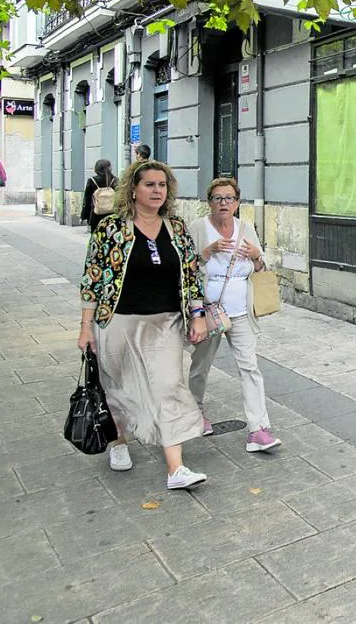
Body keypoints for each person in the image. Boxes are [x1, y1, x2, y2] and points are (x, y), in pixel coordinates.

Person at [78, 159, 210, 490]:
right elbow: (92, 278)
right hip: (117, 321)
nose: (157, 191)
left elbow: (192, 276)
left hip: (165, 322)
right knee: (119, 388)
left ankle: (176, 468)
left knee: (169, 387)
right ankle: (119, 441)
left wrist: (198, 315)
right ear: (133, 190)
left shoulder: (177, 228)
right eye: (150, 184)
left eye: (162, 185)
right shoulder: (110, 227)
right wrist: (85, 326)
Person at [190, 177, 282, 452]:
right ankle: (195, 415)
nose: (223, 203)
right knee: (200, 366)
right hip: (209, 311)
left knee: (249, 367)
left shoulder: (246, 228)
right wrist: (207, 252)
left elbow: (259, 266)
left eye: (229, 198)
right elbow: (187, 267)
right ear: (209, 202)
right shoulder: (198, 228)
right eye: (218, 198)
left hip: (241, 311)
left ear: (237, 203)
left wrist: (256, 256)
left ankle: (258, 429)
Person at [81, 159, 116, 234]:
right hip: (112, 215)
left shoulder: (92, 180)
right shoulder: (114, 180)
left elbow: (87, 200)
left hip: (96, 215)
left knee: (96, 238)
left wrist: (84, 216)